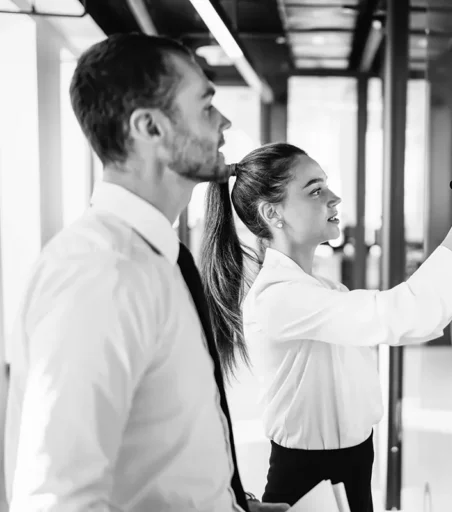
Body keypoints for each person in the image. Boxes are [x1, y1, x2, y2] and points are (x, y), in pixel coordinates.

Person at [3, 33, 286, 512]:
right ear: (150, 128)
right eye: (206, 106)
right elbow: (57, 499)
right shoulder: (101, 274)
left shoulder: (157, 257)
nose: (224, 122)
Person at [200, 143, 452, 511]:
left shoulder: (322, 289)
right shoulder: (278, 298)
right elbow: (400, 313)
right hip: (310, 481)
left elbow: (412, 322)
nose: (334, 198)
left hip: (353, 466)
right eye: (315, 190)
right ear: (271, 212)